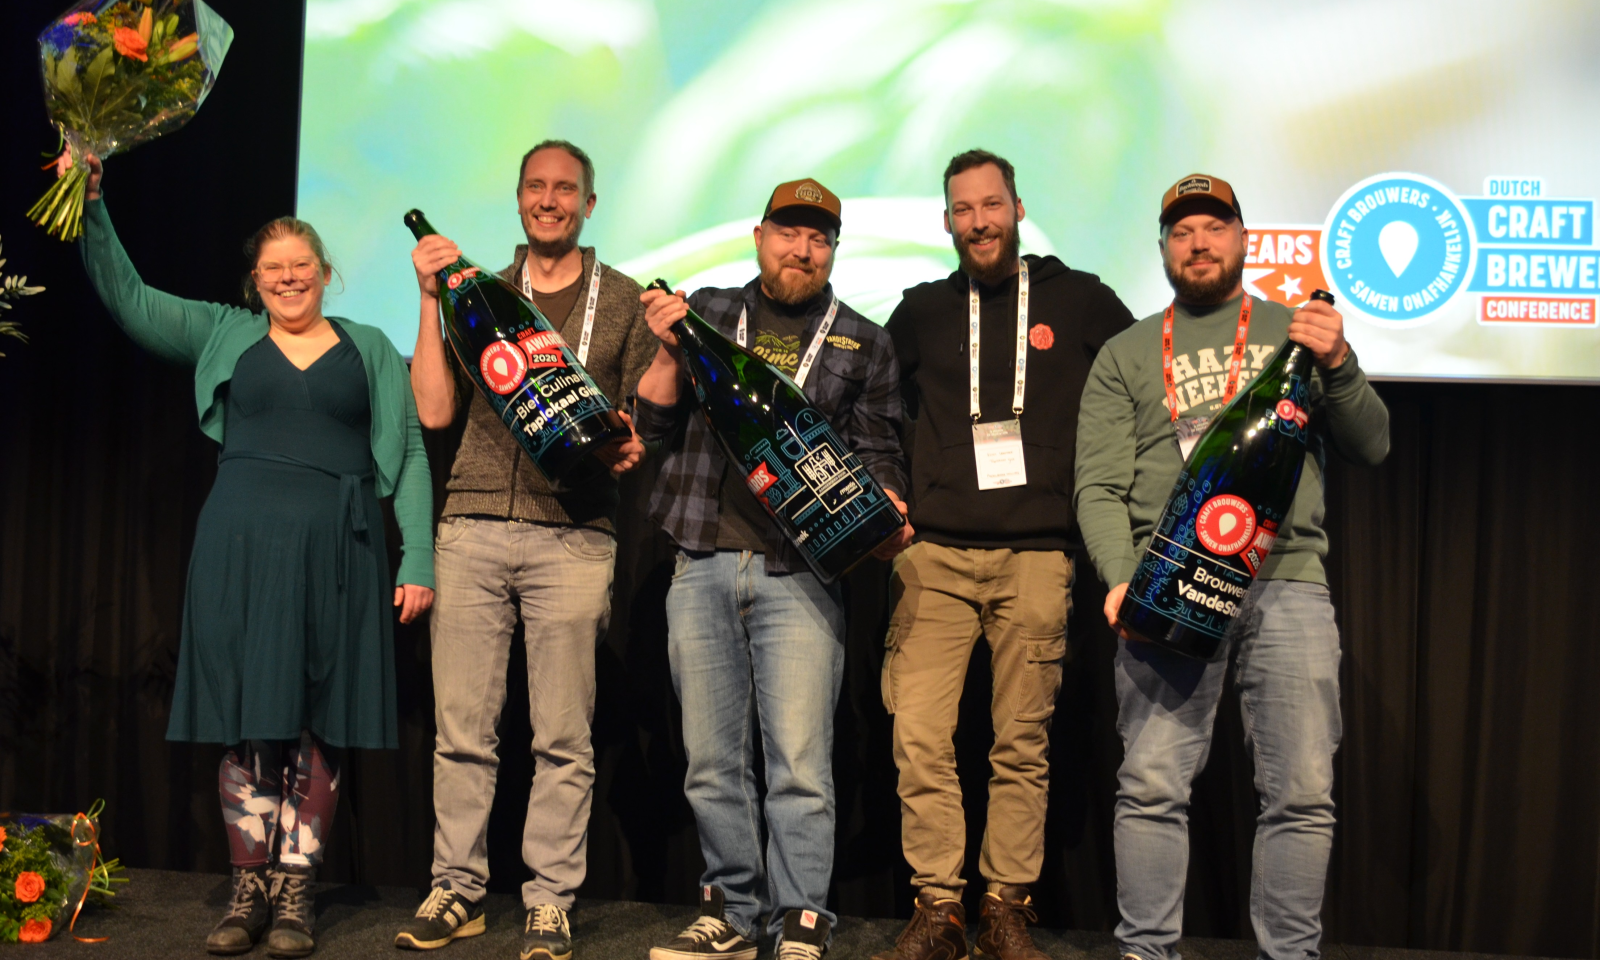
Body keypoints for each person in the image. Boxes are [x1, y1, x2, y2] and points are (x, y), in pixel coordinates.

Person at [74, 156, 434, 958]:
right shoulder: (226, 333)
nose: (288, 278)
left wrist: (419, 560)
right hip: (239, 543)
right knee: (249, 725)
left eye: (301, 265)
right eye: (273, 268)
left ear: (326, 274)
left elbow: (408, 450)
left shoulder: (368, 344)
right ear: (253, 282)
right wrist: (92, 204)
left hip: (341, 546)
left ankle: (297, 892)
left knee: (317, 728)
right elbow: (129, 300)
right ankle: (249, 890)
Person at [1074, 174, 1390, 960]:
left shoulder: (1300, 332)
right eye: (1182, 232)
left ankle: (1290, 955)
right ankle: (1147, 954)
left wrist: (1341, 362)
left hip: (1286, 583)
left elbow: (1374, 444)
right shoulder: (1124, 353)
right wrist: (1121, 578)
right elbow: (1099, 485)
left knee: (1301, 795)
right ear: (1163, 249)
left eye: (1215, 226)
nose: (1199, 242)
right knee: (1150, 790)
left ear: (1245, 239)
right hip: (1170, 588)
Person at [633, 178, 912, 960]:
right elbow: (651, 421)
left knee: (799, 765)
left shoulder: (864, 339)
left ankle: (801, 917)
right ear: (759, 237)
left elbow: (881, 455)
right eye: (789, 232)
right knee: (712, 762)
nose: (803, 248)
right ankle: (730, 907)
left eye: (819, 238)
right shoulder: (708, 314)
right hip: (702, 560)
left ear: (833, 249)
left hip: (801, 574)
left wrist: (885, 508)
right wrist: (665, 346)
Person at [393, 140, 655, 960]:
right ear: (518, 201)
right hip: (472, 527)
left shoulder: (623, 299)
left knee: (562, 737)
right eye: (536, 187)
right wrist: (430, 301)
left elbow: (646, 413)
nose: (550, 200)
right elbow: (435, 413)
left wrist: (630, 439)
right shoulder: (484, 292)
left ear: (588, 203)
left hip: (574, 534)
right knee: (464, 730)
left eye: (566, 189)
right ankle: (457, 890)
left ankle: (548, 900)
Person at [874, 150, 1135, 960]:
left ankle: (1006, 908)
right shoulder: (919, 310)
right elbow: (875, 409)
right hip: (935, 558)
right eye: (963, 209)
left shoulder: (1082, 298)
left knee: (1019, 741)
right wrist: (888, 486)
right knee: (919, 734)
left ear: (1018, 209)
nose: (979, 222)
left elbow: (1140, 384)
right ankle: (938, 906)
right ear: (947, 220)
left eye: (992, 205)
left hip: (1037, 555)